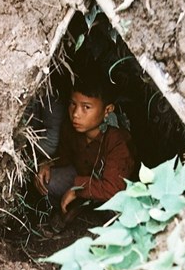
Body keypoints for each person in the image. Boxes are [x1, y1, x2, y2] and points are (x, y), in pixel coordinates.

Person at [34, 78, 137, 231]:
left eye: (86, 107)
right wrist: (48, 163)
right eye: (72, 104)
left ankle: (88, 208)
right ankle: (73, 207)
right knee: (49, 180)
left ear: (107, 110)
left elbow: (113, 187)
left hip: (113, 189)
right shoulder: (71, 129)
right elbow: (64, 156)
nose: (75, 114)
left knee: (117, 212)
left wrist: (78, 189)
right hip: (85, 178)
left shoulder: (117, 141)